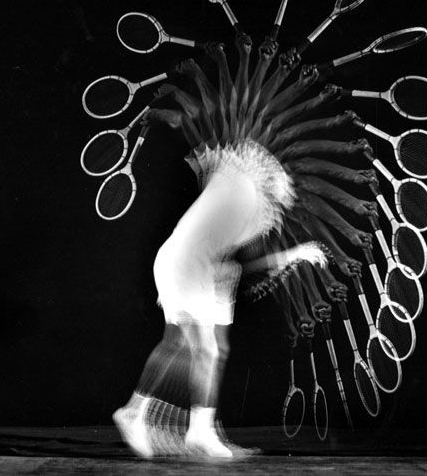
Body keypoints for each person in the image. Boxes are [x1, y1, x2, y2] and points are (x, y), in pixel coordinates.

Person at [113, 140, 325, 458]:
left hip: (195, 264)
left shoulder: (241, 196)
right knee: (201, 349)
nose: (286, 196)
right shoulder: (244, 194)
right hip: (188, 263)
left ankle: (195, 428)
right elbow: (247, 262)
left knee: (208, 348)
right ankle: (155, 418)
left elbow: (233, 263)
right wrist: (293, 254)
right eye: (283, 190)